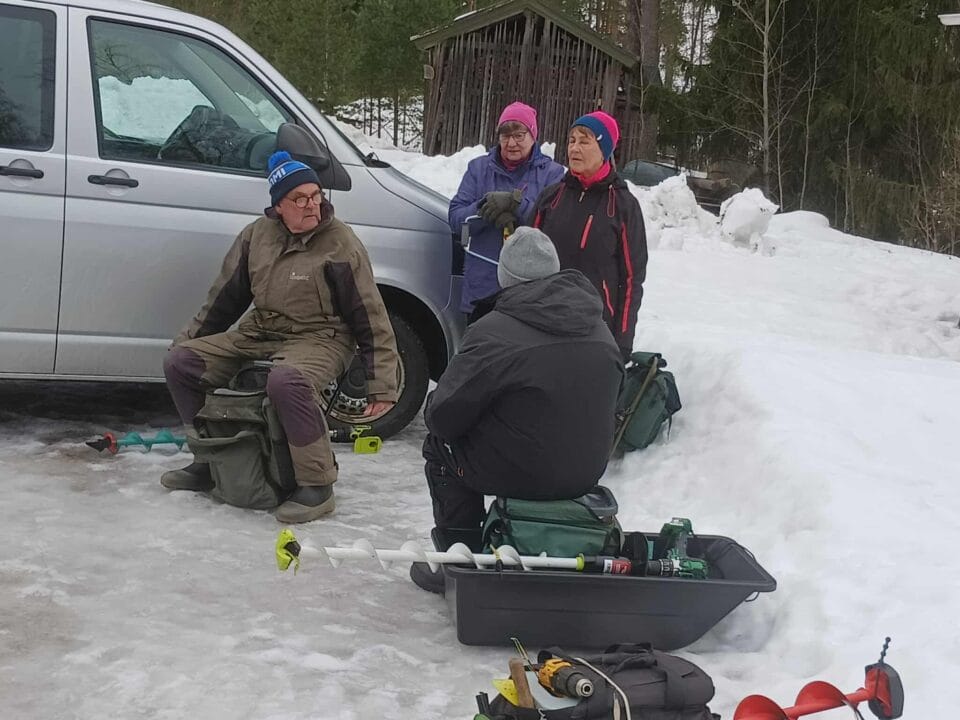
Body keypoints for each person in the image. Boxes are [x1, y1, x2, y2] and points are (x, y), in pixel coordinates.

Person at [161, 150, 399, 523]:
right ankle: (210, 459)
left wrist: (381, 382)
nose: (312, 205)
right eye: (299, 199)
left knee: (287, 381)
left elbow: (370, 315)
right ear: (278, 207)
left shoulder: (341, 243)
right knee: (181, 363)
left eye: (316, 196)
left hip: (322, 336)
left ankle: (317, 485)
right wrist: (186, 341)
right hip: (261, 330)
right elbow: (222, 301)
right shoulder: (256, 236)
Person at [411, 227, 624, 592]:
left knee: (440, 446)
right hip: (586, 471)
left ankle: (460, 558)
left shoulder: (494, 331)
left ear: (504, 276)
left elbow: (444, 417)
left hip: (519, 472)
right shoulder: (598, 325)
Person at [529, 111, 648, 361]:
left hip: (595, 329)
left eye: (584, 141)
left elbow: (631, 279)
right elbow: (527, 259)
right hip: (544, 321)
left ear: (604, 150)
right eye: (571, 140)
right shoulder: (552, 196)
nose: (574, 148)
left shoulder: (623, 205)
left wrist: (623, 340)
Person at [448, 101, 565, 318]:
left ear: (533, 135)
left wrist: (517, 205)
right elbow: (456, 219)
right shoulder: (478, 169)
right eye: (505, 135)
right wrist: (484, 209)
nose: (511, 143)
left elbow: (554, 225)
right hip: (482, 290)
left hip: (531, 293)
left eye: (519, 135)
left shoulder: (552, 174)